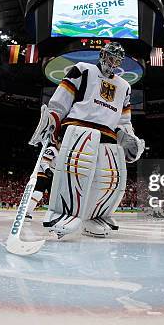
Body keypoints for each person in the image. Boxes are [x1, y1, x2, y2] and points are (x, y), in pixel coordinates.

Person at [29, 42, 144, 238]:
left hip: (108, 136)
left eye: (117, 59)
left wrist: (128, 137)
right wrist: (52, 120)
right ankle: (63, 213)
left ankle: (95, 216)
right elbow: (61, 100)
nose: (113, 62)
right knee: (75, 171)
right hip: (78, 128)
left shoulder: (124, 86)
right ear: (102, 55)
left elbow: (124, 119)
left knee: (109, 179)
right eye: (110, 57)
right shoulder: (82, 70)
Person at [25, 143, 58, 220]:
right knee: (38, 193)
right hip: (43, 174)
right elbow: (44, 162)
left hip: (54, 176)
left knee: (54, 197)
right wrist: (47, 170)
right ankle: (27, 213)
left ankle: (54, 216)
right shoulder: (52, 150)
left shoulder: (62, 152)